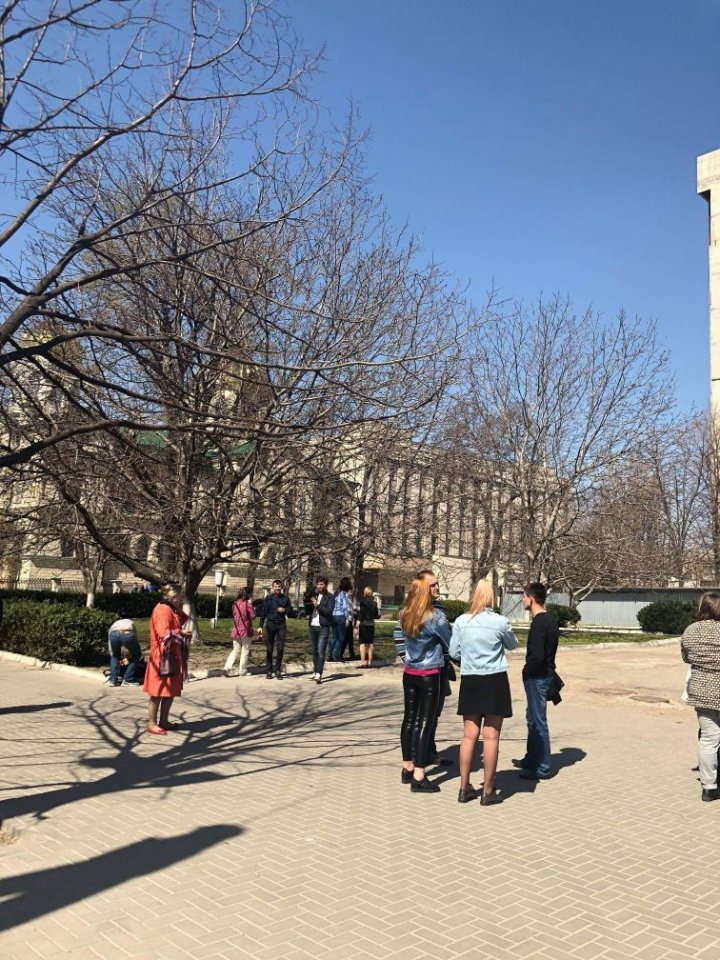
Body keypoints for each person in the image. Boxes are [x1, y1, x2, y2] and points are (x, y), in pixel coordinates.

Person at [450, 581, 518, 805]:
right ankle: (487, 791)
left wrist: (469, 659)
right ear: (492, 597)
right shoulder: (500, 622)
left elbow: (453, 651)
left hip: (471, 680)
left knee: (469, 735)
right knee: (491, 736)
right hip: (495, 679)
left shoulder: (461, 621)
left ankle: (464, 787)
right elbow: (512, 644)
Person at [399, 578, 451, 793]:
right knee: (425, 722)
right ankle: (419, 775)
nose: (437, 587)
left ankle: (407, 766)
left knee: (410, 718)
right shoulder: (436, 617)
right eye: (433, 585)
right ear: (422, 590)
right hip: (429, 673)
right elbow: (452, 644)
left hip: (410, 672)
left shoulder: (404, 613)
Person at [513, 583, 559, 780]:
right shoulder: (550, 620)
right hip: (544, 675)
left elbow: (537, 656)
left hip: (538, 677)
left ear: (531, 598)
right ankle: (532, 759)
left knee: (538, 722)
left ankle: (543, 766)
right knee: (532, 719)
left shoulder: (540, 622)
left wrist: (527, 671)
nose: (523, 600)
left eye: (524, 596)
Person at [680, 591, 720, 802]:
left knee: (708, 740)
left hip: (703, 692)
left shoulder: (691, 630)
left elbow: (686, 657)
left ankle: (709, 787)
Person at [144, 584, 191, 735]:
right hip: (162, 657)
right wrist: (181, 632)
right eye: (180, 598)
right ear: (172, 597)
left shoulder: (170, 609)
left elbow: (182, 619)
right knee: (157, 692)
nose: (182, 600)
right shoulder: (163, 610)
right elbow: (163, 633)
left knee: (169, 691)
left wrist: (180, 607)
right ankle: (152, 723)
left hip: (171, 656)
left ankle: (164, 720)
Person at [418, 568, 453, 767]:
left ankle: (429, 751)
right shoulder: (412, 609)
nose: (437, 587)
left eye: (437, 583)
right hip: (422, 670)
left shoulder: (439, 609)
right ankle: (418, 757)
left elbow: (447, 642)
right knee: (421, 716)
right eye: (433, 585)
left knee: (434, 714)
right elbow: (400, 640)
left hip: (439, 668)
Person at [257, 579, 294, 679]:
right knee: (269, 648)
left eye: (279, 586)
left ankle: (277, 669)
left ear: (281, 587)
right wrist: (260, 626)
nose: (277, 588)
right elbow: (263, 612)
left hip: (281, 625)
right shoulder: (268, 598)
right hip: (270, 625)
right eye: (275, 586)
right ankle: (269, 670)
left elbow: (291, 610)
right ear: (273, 587)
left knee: (280, 648)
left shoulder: (285, 598)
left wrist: (285, 610)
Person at [308, 576, 335, 684]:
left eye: (321, 584)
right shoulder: (314, 595)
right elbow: (308, 611)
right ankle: (315, 671)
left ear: (326, 585)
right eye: (318, 584)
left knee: (321, 650)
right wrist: (307, 602)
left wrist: (317, 605)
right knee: (314, 650)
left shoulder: (330, 597)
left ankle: (319, 673)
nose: (319, 586)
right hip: (312, 625)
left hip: (323, 627)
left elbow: (328, 612)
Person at [223, 588, 255, 677]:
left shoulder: (234, 604)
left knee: (235, 650)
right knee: (245, 650)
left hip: (236, 630)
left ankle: (227, 667)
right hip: (246, 630)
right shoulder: (247, 604)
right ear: (247, 595)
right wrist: (252, 606)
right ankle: (242, 671)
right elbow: (253, 616)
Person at [107, 617, 142, 687]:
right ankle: (128, 679)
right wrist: (131, 652)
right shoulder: (131, 623)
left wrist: (111, 652)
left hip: (113, 634)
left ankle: (113, 680)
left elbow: (109, 638)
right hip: (127, 632)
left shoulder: (114, 624)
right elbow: (135, 637)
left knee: (115, 656)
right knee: (137, 655)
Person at [329, 576, 352, 661]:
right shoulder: (344, 594)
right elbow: (345, 607)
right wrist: (346, 619)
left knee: (334, 637)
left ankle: (329, 654)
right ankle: (337, 654)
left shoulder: (335, 593)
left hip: (333, 616)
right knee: (341, 637)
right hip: (341, 616)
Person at [358, 587, 379, 668]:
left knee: (362, 643)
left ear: (365, 593)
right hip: (371, 624)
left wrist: (357, 622)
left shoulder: (362, 602)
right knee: (370, 643)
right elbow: (376, 615)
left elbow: (361, 614)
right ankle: (370, 662)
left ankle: (363, 662)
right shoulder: (374, 603)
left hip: (363, 624)